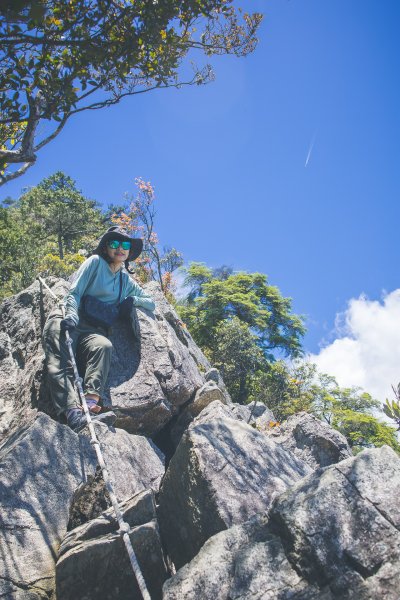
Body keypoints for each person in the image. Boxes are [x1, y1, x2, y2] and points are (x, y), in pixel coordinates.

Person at [42, 226, 155, 431]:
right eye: (114, 243)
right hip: (69, 319)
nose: (120, 248)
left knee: (104, 346)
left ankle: (91, 402)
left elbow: (151, 302)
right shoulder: (95, 263)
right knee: (61, 357)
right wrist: (71, 317)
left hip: (94, 329)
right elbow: (74, 293)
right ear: (105, 248)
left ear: (130, 252)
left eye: (125, 245)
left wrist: (132, 300)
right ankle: (72, 412)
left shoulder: (124, 280)